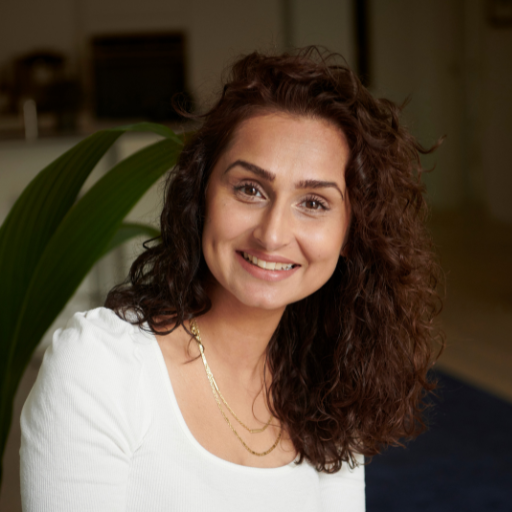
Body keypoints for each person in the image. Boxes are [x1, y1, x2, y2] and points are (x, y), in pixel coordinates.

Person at [20, 47, 443, 511]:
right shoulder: (101, 368)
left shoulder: (329, 385)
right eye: (250, 189)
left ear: (351, 233)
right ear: (202, 193)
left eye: (313, 203)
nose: (273, 234)